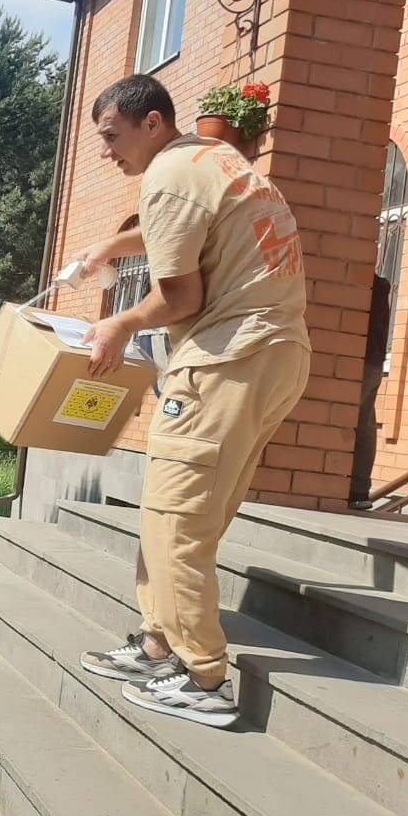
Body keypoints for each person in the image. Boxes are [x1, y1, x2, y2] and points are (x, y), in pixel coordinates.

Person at [74, 75, 310, 728]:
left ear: (153, 123)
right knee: (183, 511)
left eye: (112, 136)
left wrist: (121, 324)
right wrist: (112, 245)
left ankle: (203, 675)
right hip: (275, 353)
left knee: (175, 518)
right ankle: (159, 642)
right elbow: (184, 232)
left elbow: (182, 298)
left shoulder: (168, 177)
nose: (106, 152)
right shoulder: (213, 158)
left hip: (228, 358)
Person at [350, 272, 392, 509]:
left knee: (350, 422)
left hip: (362, 362)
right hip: (372, 363)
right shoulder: (380, 286)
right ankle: (359, 491)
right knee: (364, 424)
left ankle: (356, 490)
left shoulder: (366, 283)